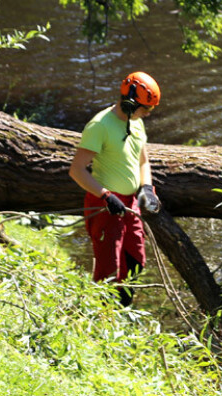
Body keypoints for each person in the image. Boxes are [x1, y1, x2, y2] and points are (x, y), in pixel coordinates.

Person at [69, 71, 162, 306]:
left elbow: (143, 161)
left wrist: (147, 188)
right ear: (131, 102)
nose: (148, 115)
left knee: (135, 262)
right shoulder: (100, 125)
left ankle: (121, 313)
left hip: (130, 204)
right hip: (106, 206)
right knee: (108, 268)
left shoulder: (136, 122)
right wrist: (106, 195)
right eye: (146, 109)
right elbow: (77, 170)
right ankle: (100, 320)